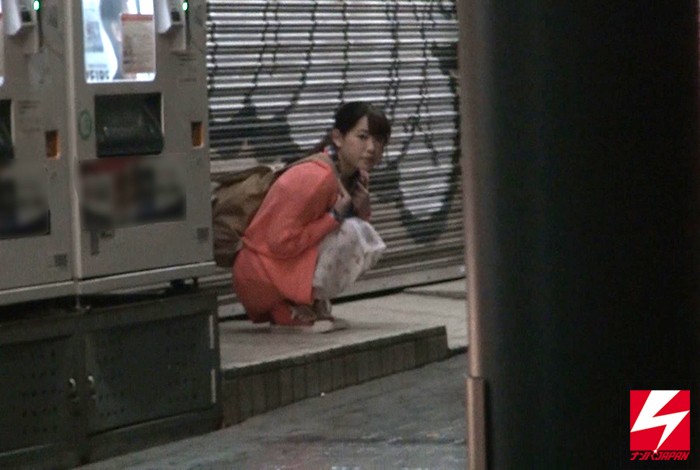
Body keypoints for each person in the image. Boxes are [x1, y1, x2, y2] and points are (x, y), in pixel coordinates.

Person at [232, 102, 391, 332]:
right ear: (338, 138)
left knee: (359, 231)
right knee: (354, 233)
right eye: (362, 137)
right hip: (259, 275)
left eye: (379, 140)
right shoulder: (316, 176)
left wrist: (363, 209)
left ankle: (307, 303)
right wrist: (333, 216)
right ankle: (288, 307)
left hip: (276, 267)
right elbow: (279, 242)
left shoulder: (355, 177)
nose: (371, 148)